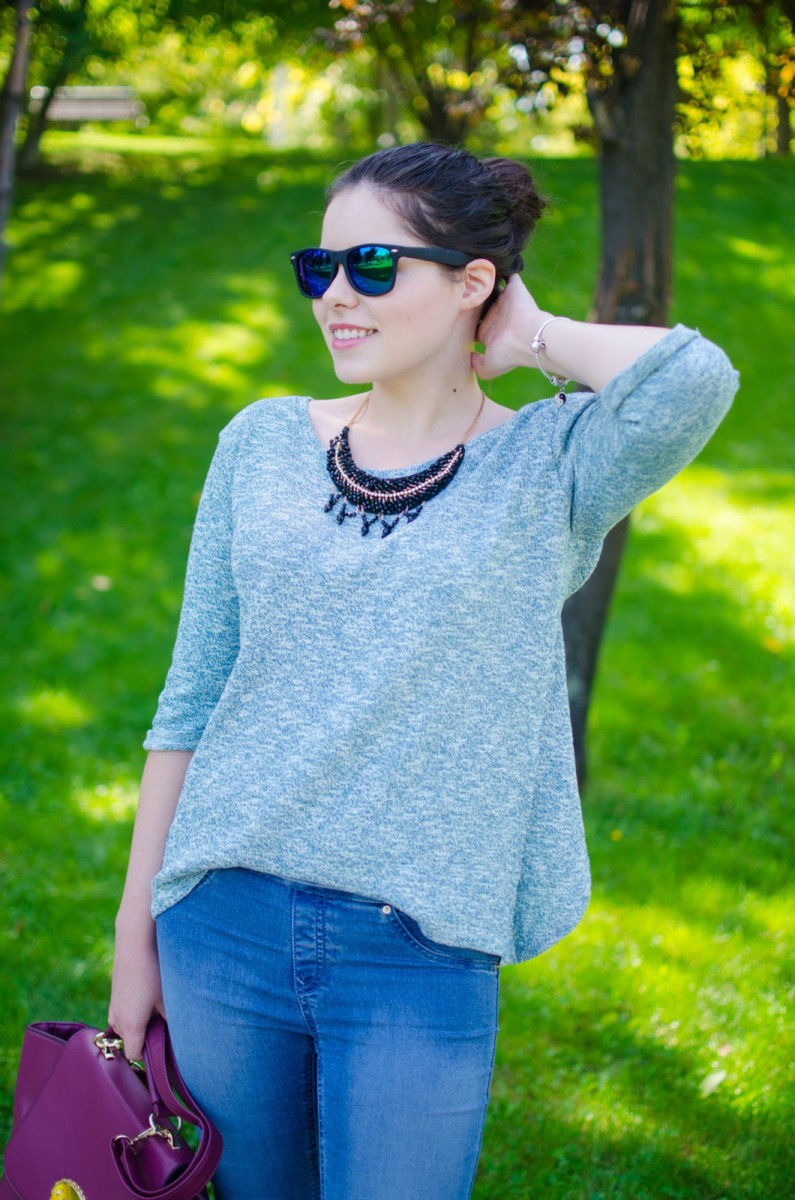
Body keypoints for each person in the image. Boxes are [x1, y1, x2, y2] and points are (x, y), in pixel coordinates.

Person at [109, 142, 739, 1199]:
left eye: (371, 266)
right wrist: (137, 938)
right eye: (320, 267)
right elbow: (190, 699)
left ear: (471, 281)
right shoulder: (259, 444)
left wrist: (529, 336)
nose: (335, 296)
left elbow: (694, 380)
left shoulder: (548, 464)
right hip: (220, 924)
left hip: (419, 949)